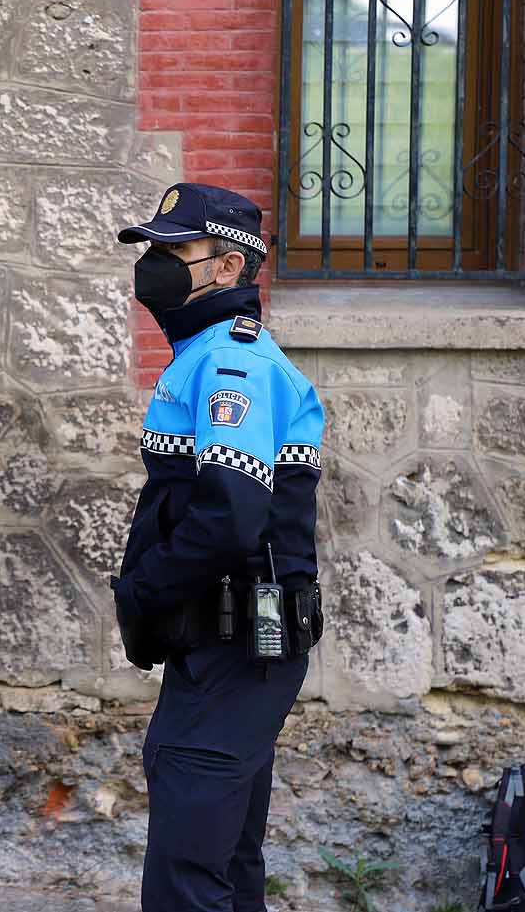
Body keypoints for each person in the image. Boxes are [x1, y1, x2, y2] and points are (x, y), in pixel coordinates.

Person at [110, 183, 326, 911]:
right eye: (154, 249)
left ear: (228, 267)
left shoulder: (233, 364)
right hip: (225, 648)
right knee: (225, 869)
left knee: (187, 881)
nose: (156, 264)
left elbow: (228, 516)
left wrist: (142, 592)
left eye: (174, 250)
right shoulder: (208, 353)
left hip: (232, 647)